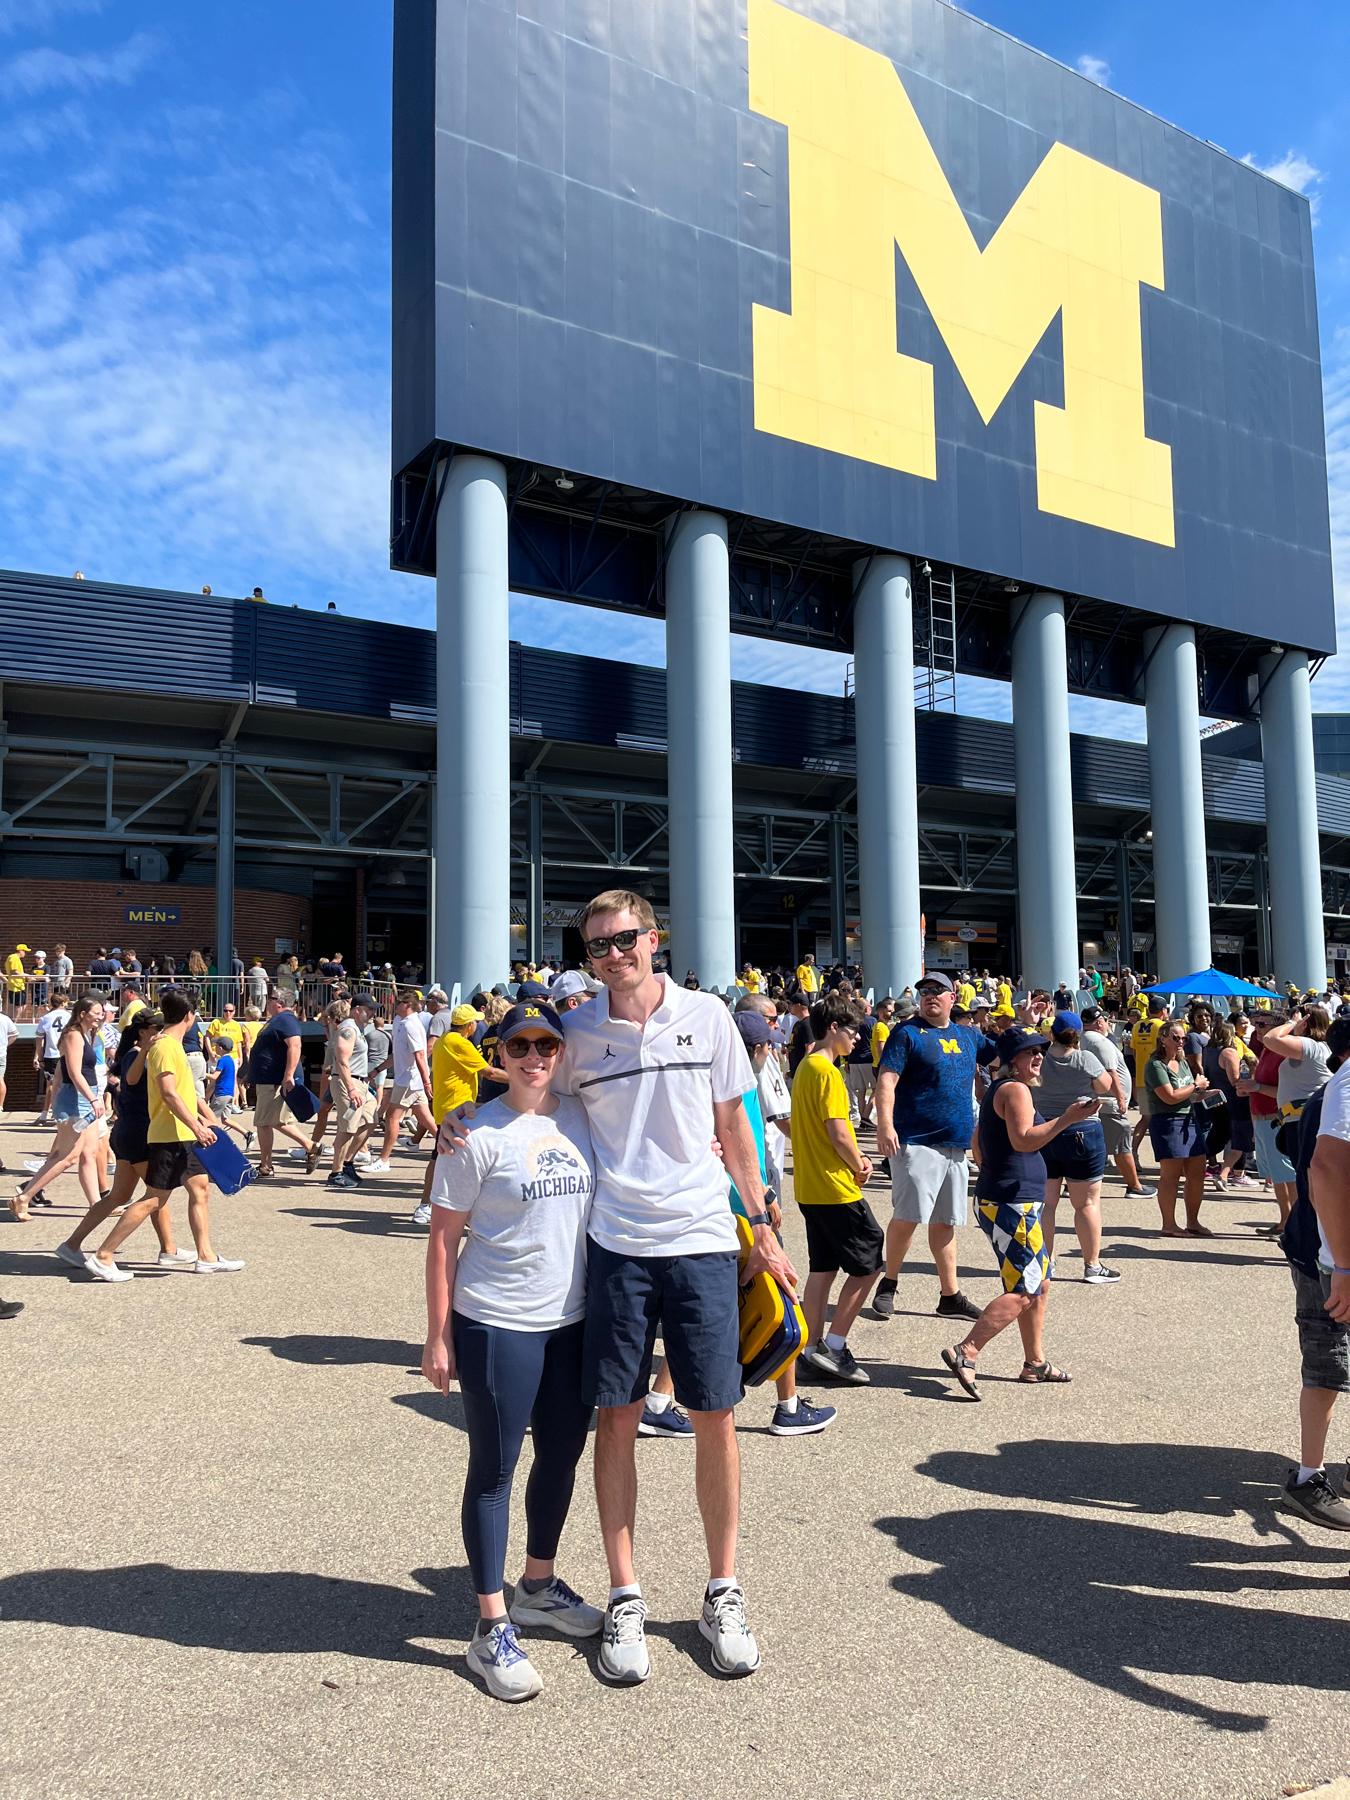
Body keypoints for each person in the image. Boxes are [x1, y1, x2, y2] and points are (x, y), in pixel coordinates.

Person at [444, 890, 794, 1683]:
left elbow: (736, 1126)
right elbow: (526, 1089)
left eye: (625, 939)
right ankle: (625, 1593)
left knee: (716, 1418)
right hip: (616, 1247)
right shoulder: (579, 1033)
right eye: (597, 945)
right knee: (618, 1419)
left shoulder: (708, 1017)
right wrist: (460, 1115)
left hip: (703, 1238)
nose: (613, 954)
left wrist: (762, 1223)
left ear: (654, 939)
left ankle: (723, 1589)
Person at [423, 1000, 603, 1699]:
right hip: (496, 1320)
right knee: (495, 1469)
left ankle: (537, 1583)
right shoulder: (474, 1133)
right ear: (499, 1053)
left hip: (572, 1320)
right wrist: (437, 1335)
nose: (535, 1056)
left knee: (561, 1455)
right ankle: (489, 1625)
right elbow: (442, 1240)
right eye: (520, 1044)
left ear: (562, 1052)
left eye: (547, 1044)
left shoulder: (579, 1117)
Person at [940, 1025, 1101, 1398]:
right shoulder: (1015, 1090)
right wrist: (1067, 1120)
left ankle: (1035, 1362)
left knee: (1039, 1282)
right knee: (1025, 1288)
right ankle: (967, 1351)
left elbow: (980, 1140)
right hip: (1013, 1202)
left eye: (1040, 1051)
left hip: (1008, 1197)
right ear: (1014, 1060)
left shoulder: (1003, 1090)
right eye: (1031, 1053)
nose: (1039, 1057)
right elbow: (1023, 1139)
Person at [85, 987, 243, 1281]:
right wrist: (197, 1125)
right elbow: (169, 1094)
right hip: (171, 1134)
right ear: (189, 1016)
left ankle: (206, 1256)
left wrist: (205, 1120)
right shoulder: (165, 1047)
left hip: (182, 1133)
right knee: (154, 1199)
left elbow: (181, 1093)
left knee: (200, 1189)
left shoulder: (171, 1046)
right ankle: (103, 1256)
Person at [872, 972, 985, 1322]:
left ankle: (949, 1295)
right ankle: (888, 1284)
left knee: (945, 1222)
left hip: (956, 1145)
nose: (930, 996)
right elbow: (887, 1081)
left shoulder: (968, 1035)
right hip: (917, 1141)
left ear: (953, 998)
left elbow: (1008, 1054)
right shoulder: (906, 1034)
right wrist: (885, 1125)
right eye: (924, 992)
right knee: (908, 1217)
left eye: (938, 991)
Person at [1276, 1017, 1350, 1530]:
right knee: (1328, 1365)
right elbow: (1322, 1171)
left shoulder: (1327, 1093)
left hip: (1323, 1246)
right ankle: (1308, 1477)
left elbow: (1290, 1147)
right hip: (1323, 1251)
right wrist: (1343, 1263)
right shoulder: (1336, 1093)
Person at [55, 1011, 197, 1271]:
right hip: (137, 1133)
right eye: (157, 1028)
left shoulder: (138, 1053)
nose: (162, 1032)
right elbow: (139, 1082)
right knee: (156, 1195)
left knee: (118, 1196)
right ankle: (125, 1253)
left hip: (127, 1132)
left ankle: (72, 1244)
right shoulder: (139, 1054)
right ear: (144, 1032)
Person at [792, 996, 883, 1382]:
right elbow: (838, 1131)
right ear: (832, 1028)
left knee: (823, 1268)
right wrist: (860, 1160)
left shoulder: (804, 1068)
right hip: (834, 1187)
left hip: (810, 1186)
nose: (857, 1037)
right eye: (851, 1030)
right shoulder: (827, 1071)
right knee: (871, 1262)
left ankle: (810, 1348)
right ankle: (836, 1344)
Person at [1036, 1013, 1121, 1284]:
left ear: (1053, 1034)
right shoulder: (1085, 1058)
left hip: (1047, 1129)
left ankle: (1044, 1263)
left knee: (1046, 1204)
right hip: (1082, 1130)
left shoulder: (1041, 1058)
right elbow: (1105, 1086)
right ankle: (1092, 1265)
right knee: (1086, 1202)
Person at [11, 996, 108, 1220]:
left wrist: (96, 1097)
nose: (100, 1016)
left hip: (86, 1097)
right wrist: (92, 1099)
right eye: (96, 1012)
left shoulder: (87, 1034)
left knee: (89, 1154)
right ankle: (24, 1198)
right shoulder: (74, 1035)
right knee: (67, 1156)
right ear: (82, 1014)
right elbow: (73, 1072)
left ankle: (96, 1205)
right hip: (76, 1099)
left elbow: (62, 1072)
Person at [1144, 1021, 1211, 1237]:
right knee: (1170, 1175)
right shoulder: (1155, 1065)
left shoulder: (1182, 1062)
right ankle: (1169, 1224)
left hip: (1189, 1120)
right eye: (1176, 1037)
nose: (1181, 1042)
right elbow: (1169, 1096)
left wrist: (1206, 1094)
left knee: (1197, 1172)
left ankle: (1193, 1221)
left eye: (1184, 1038)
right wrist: (1195, 1086)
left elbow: (1188, 1094)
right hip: (1167, 1122)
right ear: (1163, 1038)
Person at [1080, 1007, 1153, 1198]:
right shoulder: (1099, 1042)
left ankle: (1075, 1182)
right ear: (1099, 1022)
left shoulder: (1086, 1039)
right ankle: (1134, 1186)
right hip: (1109, 1103)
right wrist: (1121, 1098)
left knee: (1094, 1145)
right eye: (1105, 1020)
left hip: (1100, 1102)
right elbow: (1110, 1073)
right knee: (1122, 1145)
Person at [372, 988, 437, 1175]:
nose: (394, 1004)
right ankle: (454, 1150)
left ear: (408, 1005)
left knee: (392, 1117)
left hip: (409, 1080)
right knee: (428, 1121)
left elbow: (420, 1054)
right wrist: (377, 1070)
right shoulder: (401, 1022)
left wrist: (426, 1082)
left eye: (399, 1001)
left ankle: (384, 1160)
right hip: (409, 1080)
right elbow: (398, 1055)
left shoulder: (411, 1025)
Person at [248, 989, 313, 1176]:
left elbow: (295, 1045)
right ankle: (311, 1147)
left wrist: (289, 1075)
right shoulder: (276, 1020)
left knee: (264, 1122)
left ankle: (266, 1165)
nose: (267, 1002)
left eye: (270, 998)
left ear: (279, 1002)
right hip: (268, 1080)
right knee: (273, 1121)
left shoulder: (286, 1019)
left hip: (274, 1081)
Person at [325, 995, 380, 1190]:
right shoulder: (348, 1029)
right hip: (348, 1082)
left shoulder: (358, 1028)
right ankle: (336, 1172)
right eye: (370, 1009)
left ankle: (347, 1162)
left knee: (371, 1119)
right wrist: (351, 1089)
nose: (373, 1013)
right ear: (357, 1009)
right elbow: (341, 1061)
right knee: (347, 1127)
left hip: (360, 1082)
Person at [1128, 996, 1171, 1160]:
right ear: (1163, 1011)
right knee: (1163, 1119)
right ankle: (1167, 1156)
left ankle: (1132, 1151)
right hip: (1160, 1079)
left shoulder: (1137, 1025)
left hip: (1141, 1078)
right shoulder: (1163, 1027)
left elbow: (1134, 1051)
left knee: (1146, 1118)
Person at [32, 989, 71, 1127]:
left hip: (51, 1055)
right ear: (63, 1002)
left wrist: (39, 1055)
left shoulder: (46, 1018)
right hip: (66, 1053)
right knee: (65, 1084)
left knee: (52, 1085)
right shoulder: (69, 1016)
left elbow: (39, 1039)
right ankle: (57, 1113)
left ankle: (49, 1113)